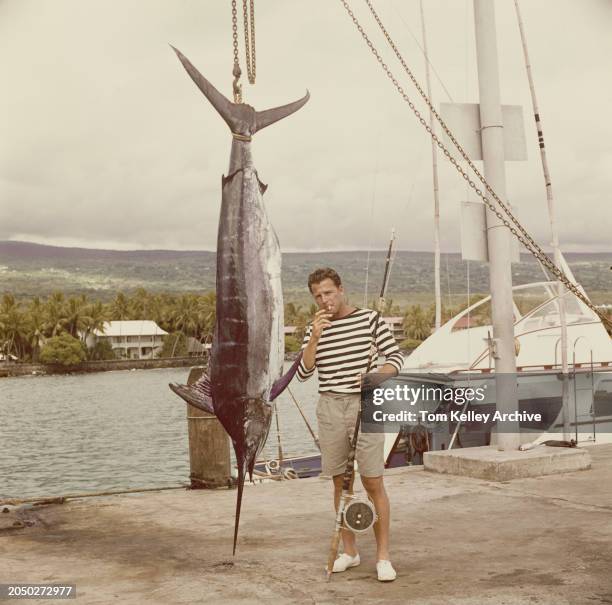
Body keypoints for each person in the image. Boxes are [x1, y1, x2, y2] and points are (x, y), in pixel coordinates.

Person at [297, 267, 403, 582]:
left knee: (373, 482)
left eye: (328, 293)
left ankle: (383, 557)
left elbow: (395, 359)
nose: (324, 300)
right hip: (329, 405)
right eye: (317, 296)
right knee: (340, 484)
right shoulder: (313, 327)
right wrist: (314, 337)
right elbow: (304, 373)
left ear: (341, 289)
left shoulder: (370, 320)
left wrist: (375, 377)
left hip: (365, 404)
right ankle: (350, 551)